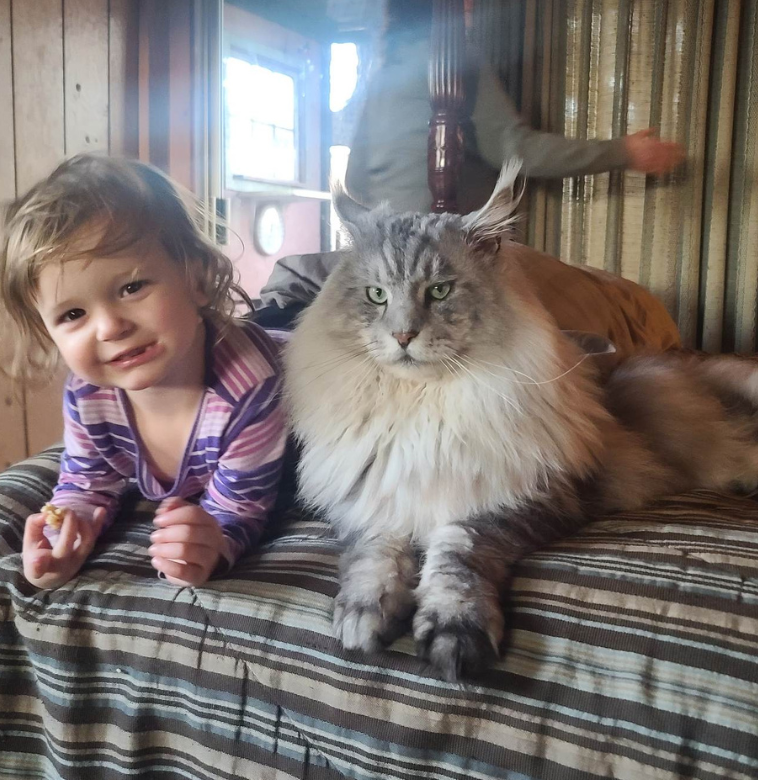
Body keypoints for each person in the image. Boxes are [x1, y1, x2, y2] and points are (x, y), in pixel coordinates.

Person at [0, 154, 287, 591]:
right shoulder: (87, 395)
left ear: (198, 277)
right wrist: (62, 539)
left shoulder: (250, 389)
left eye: (132, 287)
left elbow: (240, 511)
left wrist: (214, 542)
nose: (110, 327)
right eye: (73, 313)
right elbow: (87, 482)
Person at [345, 0, 686, 214]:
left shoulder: (383, 70)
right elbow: (516, 151)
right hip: (441, 248)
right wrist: (623, 152)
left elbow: (354, 179)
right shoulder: (451, 59)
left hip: (383, 252)